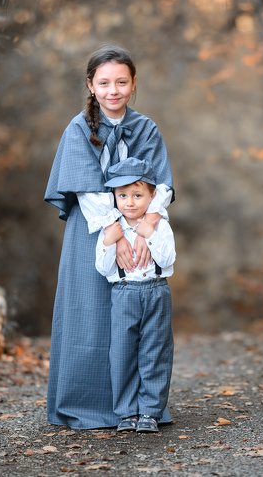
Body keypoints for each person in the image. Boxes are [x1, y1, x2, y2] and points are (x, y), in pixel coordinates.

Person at [43, 45, 174, 429]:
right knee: (90, 314)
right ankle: (87, 404)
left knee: (138, 324)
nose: (112, 90)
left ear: (134, 84)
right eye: (104, 82)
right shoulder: (79, 129)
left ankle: (140, 408)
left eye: (121, 81)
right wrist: (114, 233)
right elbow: (84, 188)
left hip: (141, 229)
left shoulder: (146, 128)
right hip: (92, 231)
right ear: (90, 85)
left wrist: (146, 223)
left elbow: (161, 182)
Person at [95, 157, 175, 433]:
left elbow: (167, 259)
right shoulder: (112, 229)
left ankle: (151, 412)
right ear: (114, 197)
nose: (129, 202)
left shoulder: (159, 225)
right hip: (124, 293)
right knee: (122, 353)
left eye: (138, 195)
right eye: (123, 195)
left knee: (155, 351)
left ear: (152, 196)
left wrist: (149, 233)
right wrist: (109, 241)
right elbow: (103, 269)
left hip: (155, 292)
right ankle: (127, 412)